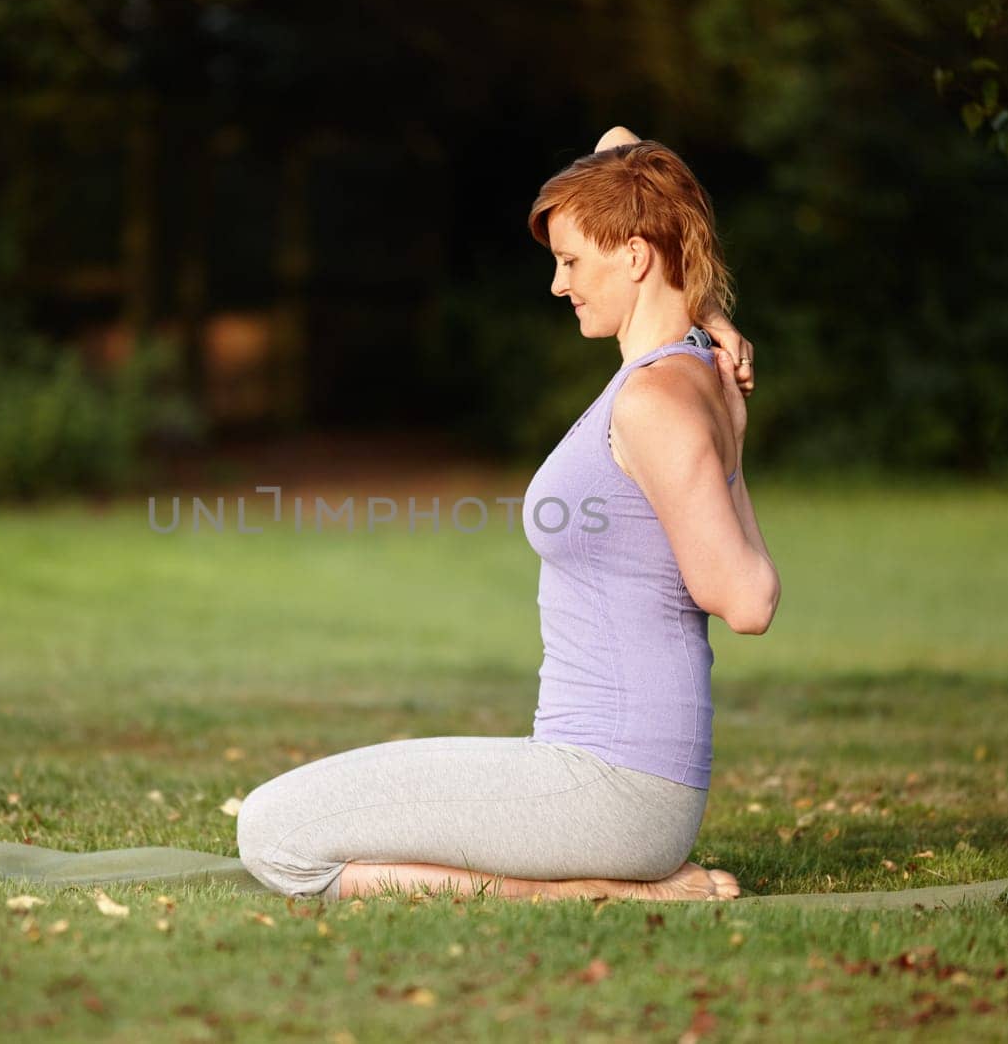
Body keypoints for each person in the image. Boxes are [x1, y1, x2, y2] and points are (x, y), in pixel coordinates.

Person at [236, 128, 778, 902]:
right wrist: (707, 305)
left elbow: (746, 599)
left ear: (634, 257)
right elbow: (622, 150)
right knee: (284, 822)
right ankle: (598, 877)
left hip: (612, 788)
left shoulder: (659, 400)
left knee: (273, 834)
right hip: (597, 772)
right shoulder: (677, 369)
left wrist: (733, 458)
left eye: (571, 262)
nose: (559, 284)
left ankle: (591, 891)